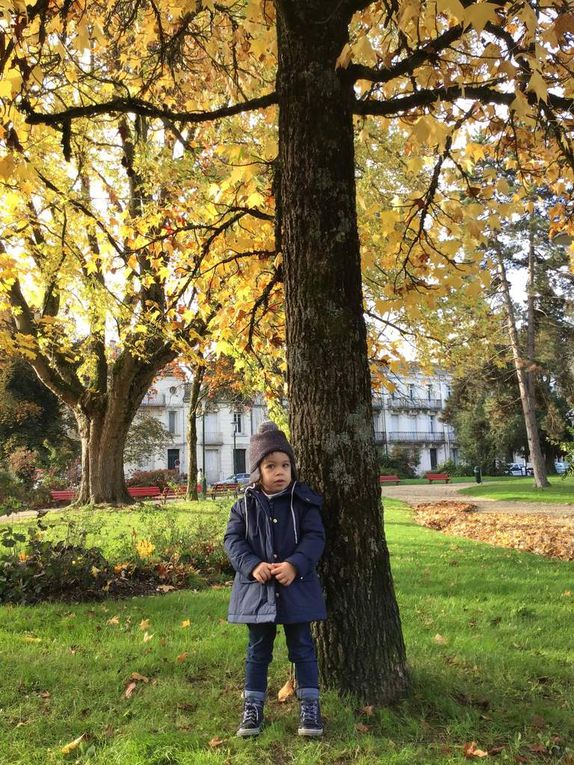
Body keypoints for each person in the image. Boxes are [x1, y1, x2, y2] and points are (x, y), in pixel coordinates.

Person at [224, 421, 327, 738]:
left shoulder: (304, 503)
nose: (280, 471)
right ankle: (252, 708)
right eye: (271, 465)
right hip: (257, 592)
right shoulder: (244, 506)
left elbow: (314, 538)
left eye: (285, 465)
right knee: (257, 651)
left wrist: (295, 564)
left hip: (296, 589)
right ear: (257, 470)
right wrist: (252, 565)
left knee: (303, 648)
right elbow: (233, 541)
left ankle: (310, 707)